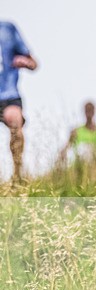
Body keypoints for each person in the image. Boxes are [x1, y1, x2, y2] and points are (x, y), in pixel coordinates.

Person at [0, 21, 37, 183]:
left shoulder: (8, 29)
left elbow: (34, 63)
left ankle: (17, 174)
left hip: (8, 94)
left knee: (15, 121)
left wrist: (26, 62)